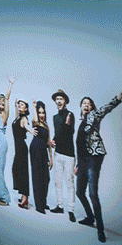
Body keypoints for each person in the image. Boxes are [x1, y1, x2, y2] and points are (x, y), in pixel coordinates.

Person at [76, 84, 122, 242]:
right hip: (83, 161)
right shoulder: (80, 122)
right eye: (84, 103)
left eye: (89, 103)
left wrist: (119, 97)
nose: (86, 105)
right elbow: (79, 145)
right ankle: (90, 217)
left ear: (91, 106)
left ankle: (100, 230)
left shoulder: (94, 115)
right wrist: (78, 165)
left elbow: (106, 108)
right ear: (80, 106)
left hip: (94, 158)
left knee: (92, 193)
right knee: (80, 192)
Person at [50, 89, 76, 218]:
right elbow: (58, 134)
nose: (59, 101)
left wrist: (66, 124)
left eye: (61, 98)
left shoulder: (70, 115)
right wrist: (53, 140)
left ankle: (71, 210)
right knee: (58, 181)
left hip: (69, 154)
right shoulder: (55, 117)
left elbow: (69, 133)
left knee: (69, 182)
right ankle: (60, 206)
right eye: (57, 99)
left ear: (65, 101)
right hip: (58, 153)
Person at [28, 102, 51, 213]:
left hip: (43, 151)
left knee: (46, 178)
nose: (41, 115)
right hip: (35, 149)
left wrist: (50, 158)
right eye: (39, 112)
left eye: (43, 112)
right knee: (37, 177)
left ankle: (43, 202)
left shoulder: (46, 126)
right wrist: (34, 107)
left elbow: (49, 143)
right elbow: (34, 120)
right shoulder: (36, 123)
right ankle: (39, 206)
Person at [10, 98, 30, 208]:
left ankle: (25, 199)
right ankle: (24, 195)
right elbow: (15, 122)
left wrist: (29, 130)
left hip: (22, 148)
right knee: (16, 170)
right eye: (19, 104)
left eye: (22, 104)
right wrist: (14, 105)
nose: (19, 105)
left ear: (25, 108)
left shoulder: (24, 119)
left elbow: (26, 125)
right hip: (18, 148)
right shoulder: (17, 118)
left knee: (23, 173)